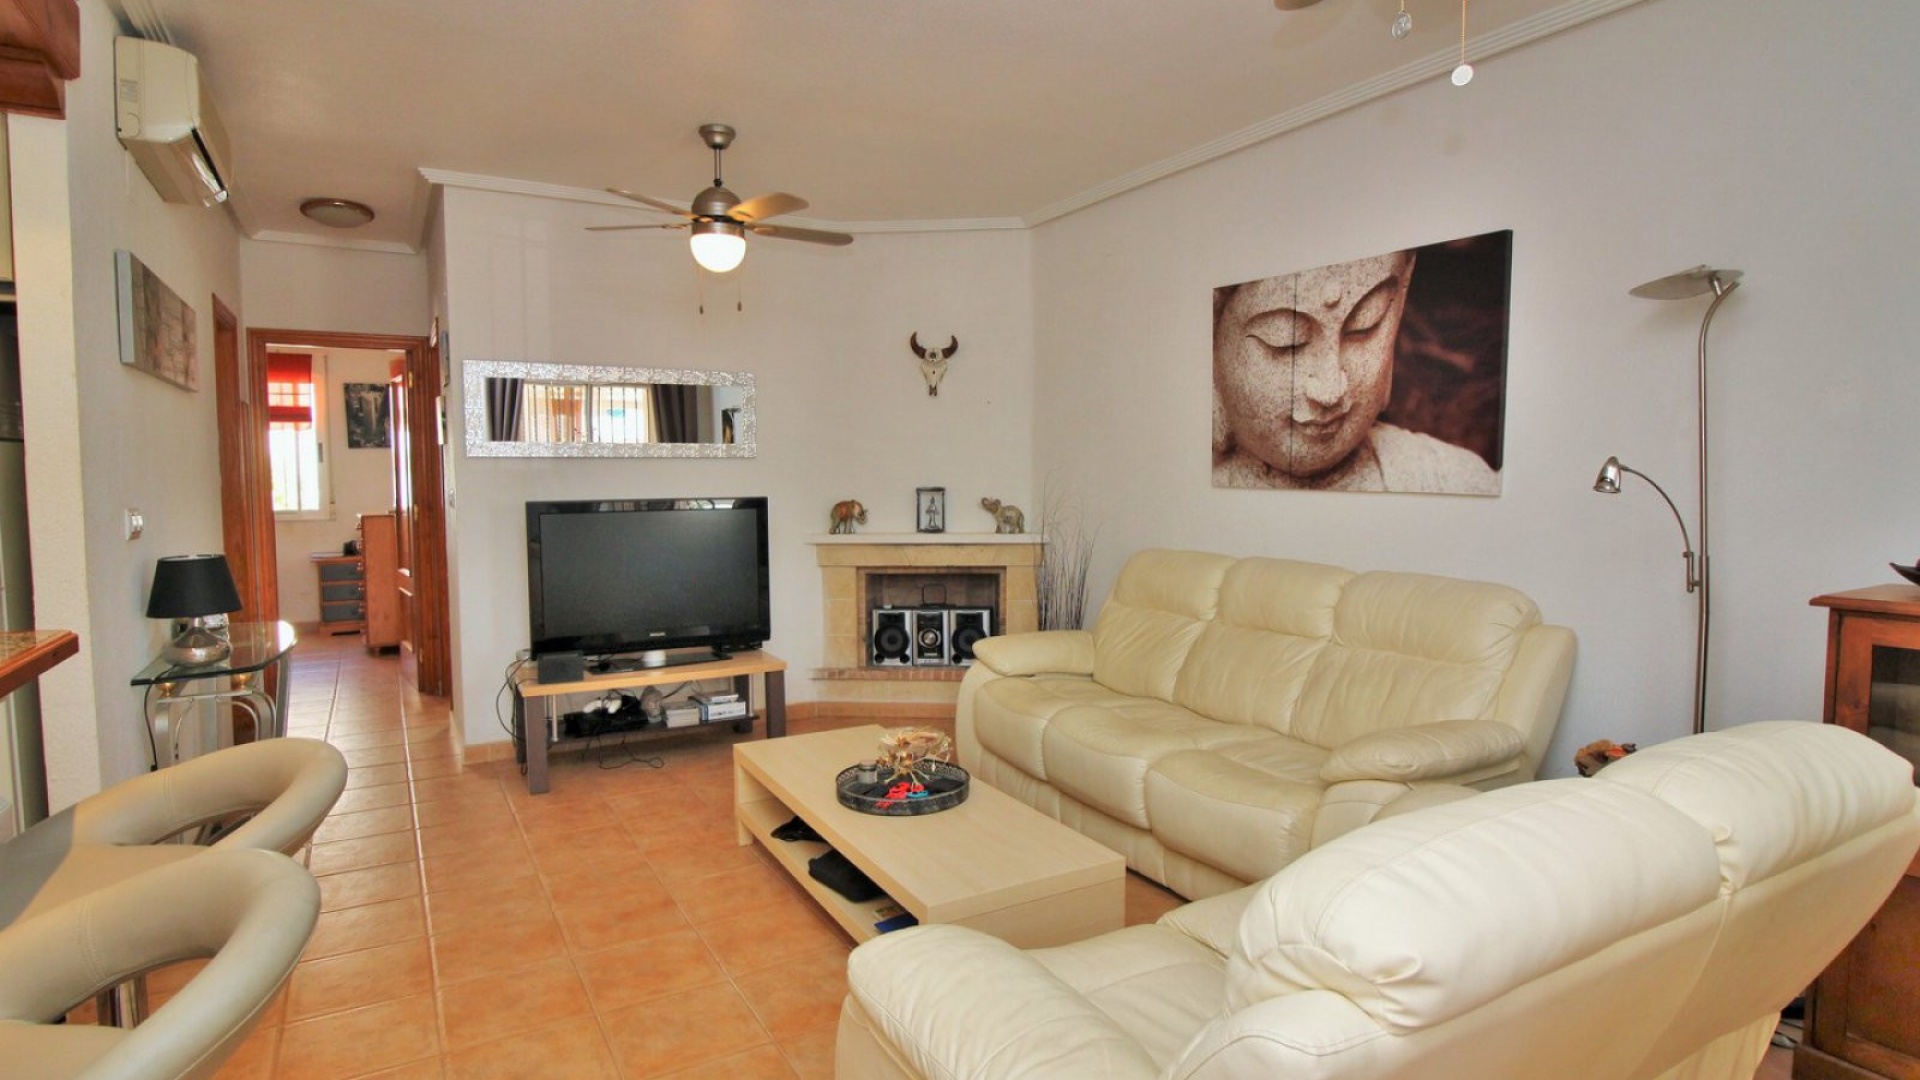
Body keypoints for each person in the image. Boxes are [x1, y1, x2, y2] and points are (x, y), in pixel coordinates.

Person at [1212, 249, 1499, 494]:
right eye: (1286, 340)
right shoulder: (1193, 499)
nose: (1330, 390)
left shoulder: (1450, 480)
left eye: (1365, 324)